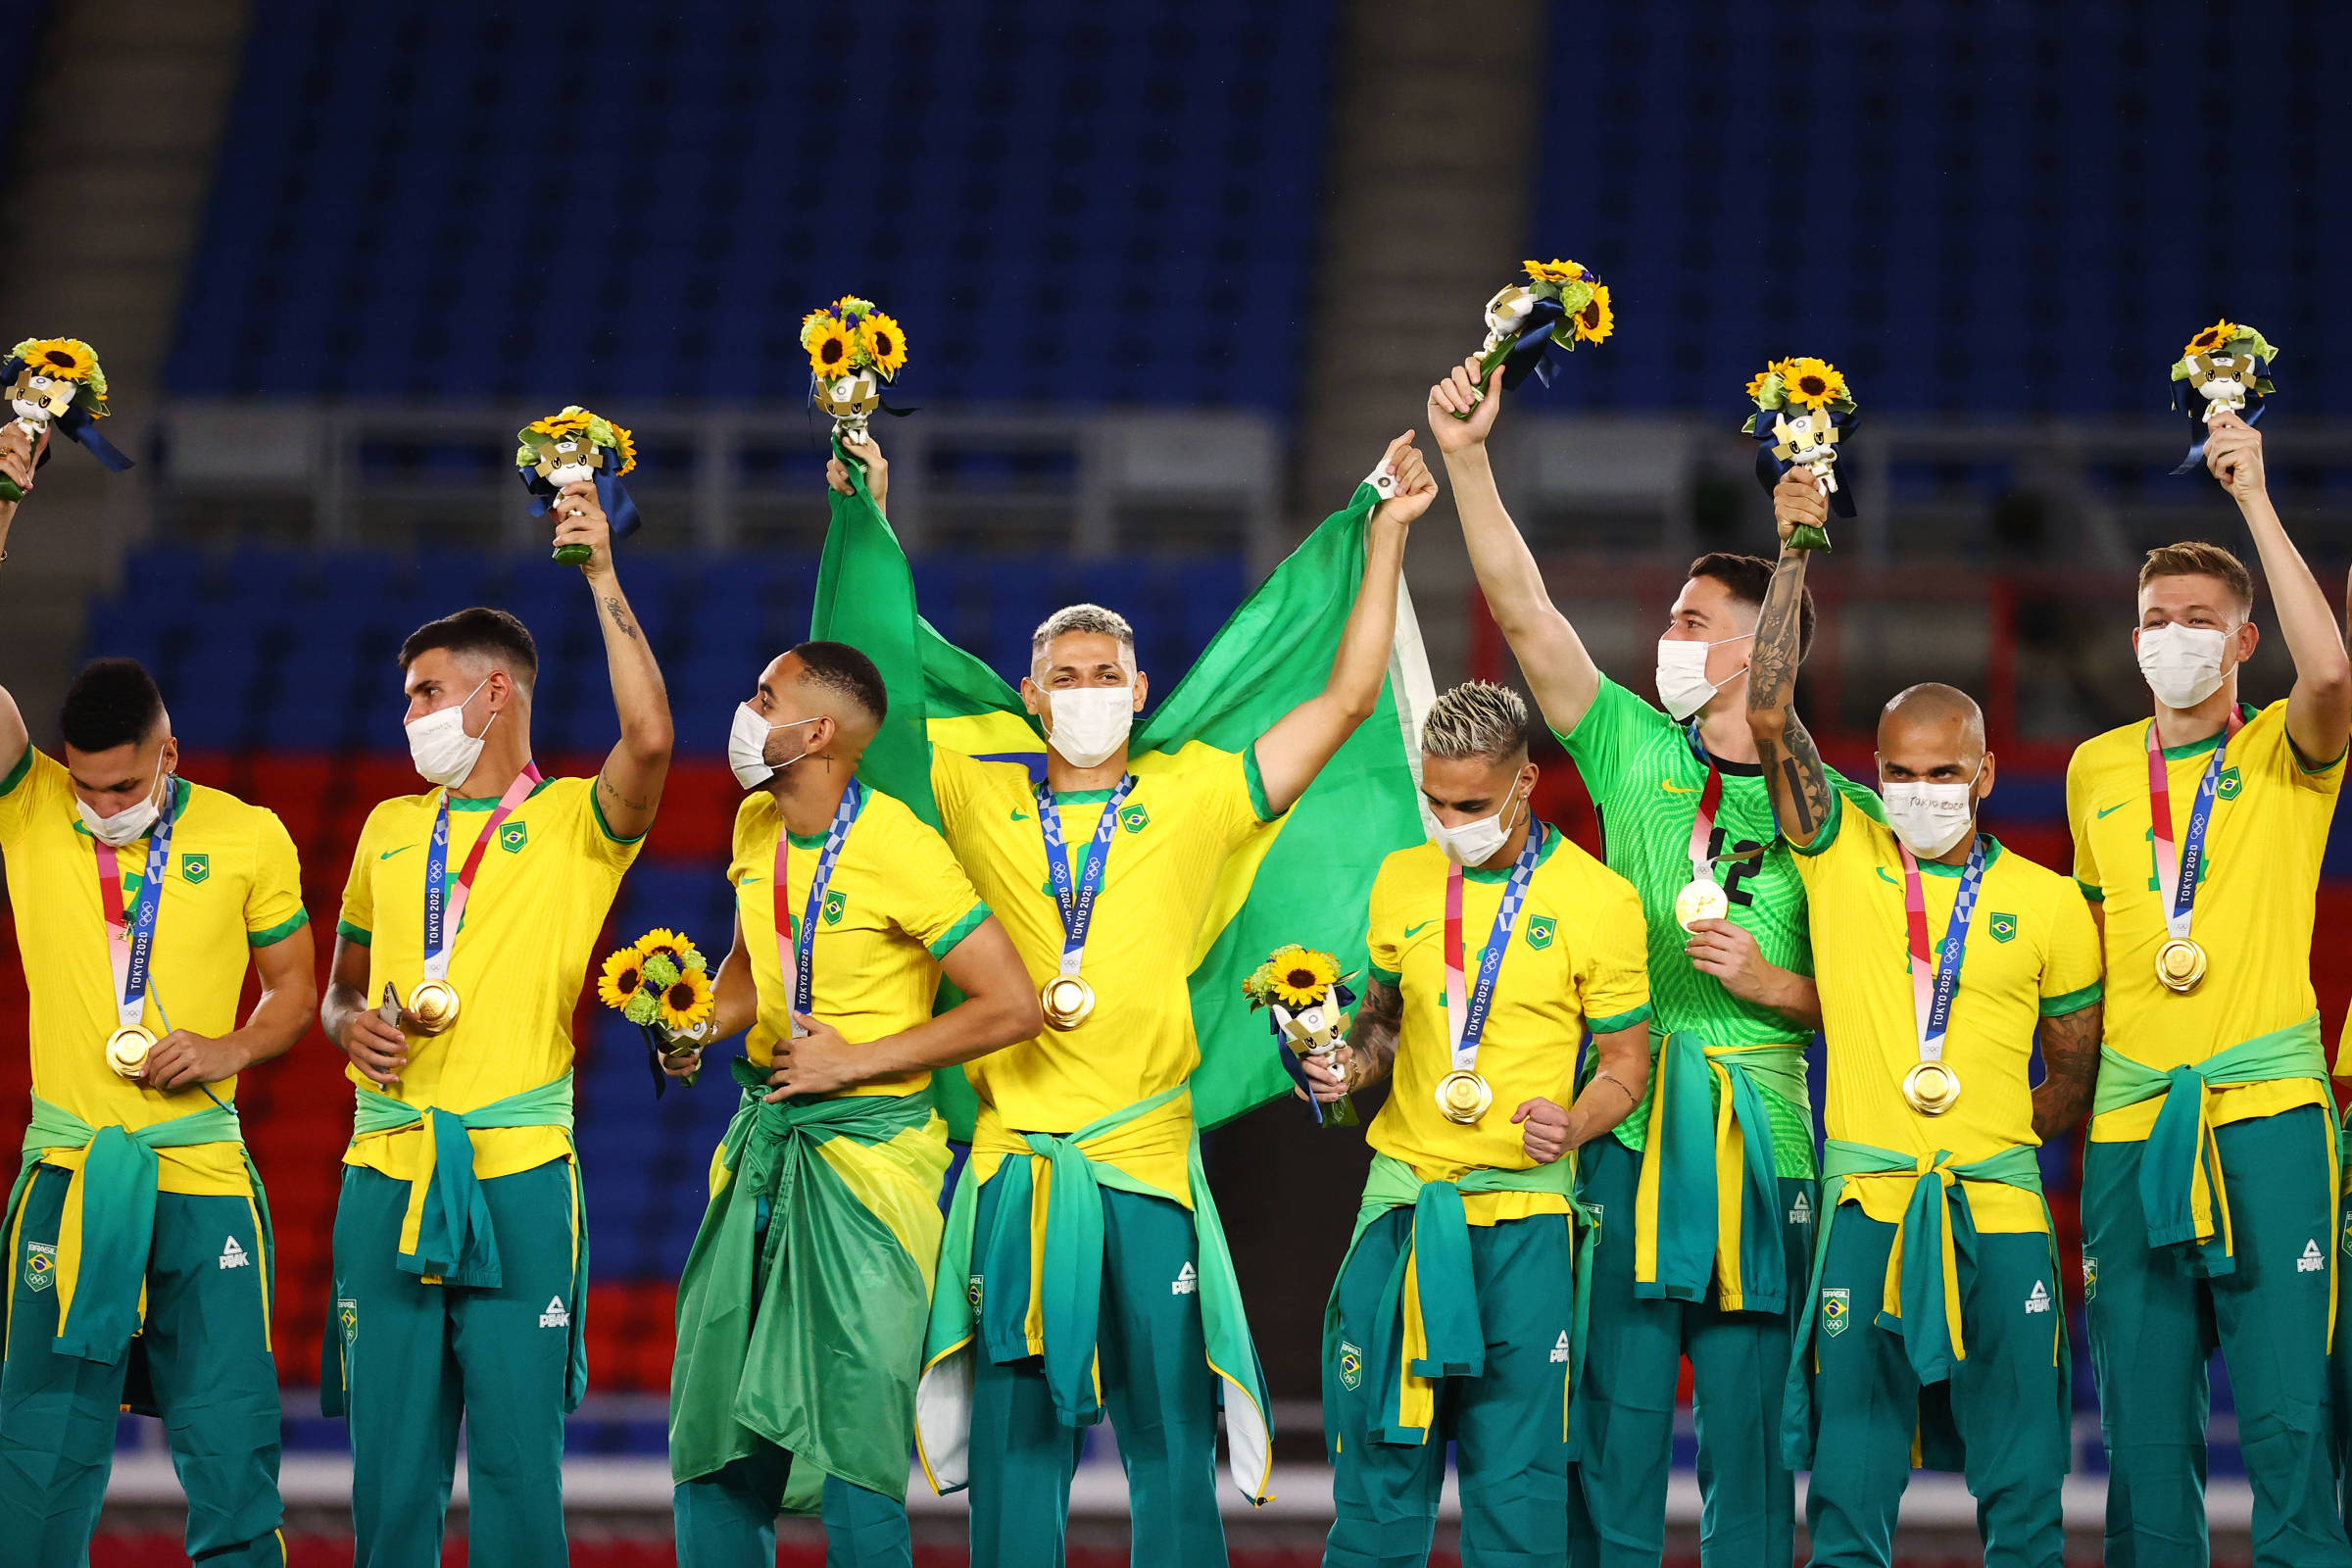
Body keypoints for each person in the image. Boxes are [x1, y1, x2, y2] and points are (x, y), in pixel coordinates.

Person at [827, 429, 1437, 1566]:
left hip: (1148, 1160)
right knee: (1020, 1446)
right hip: (1020, 1167)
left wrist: (1389, 537)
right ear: (1029, 695)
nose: (1090, 691)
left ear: (1142, 689)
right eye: (1067, 676)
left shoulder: (1199, 789)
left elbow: (1351, 696)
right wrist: (871, 519)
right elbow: (875, 688)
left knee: (1168, 1438)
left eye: (1109, 674)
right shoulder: (969, 791)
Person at [1428, 356, 1877, 1566]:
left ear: (1749, 652)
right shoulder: (1631, 746)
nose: (1665, 637)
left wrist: (1777, 986)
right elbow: (1525, 613)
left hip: (1766, 1124)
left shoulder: (1833, 810)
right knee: (1612, 1431)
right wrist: (1468, 459)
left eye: (1691, 624)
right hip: (1624, 1113)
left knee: (1743, 1438)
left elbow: (1881, 1002)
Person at [317, 479, 672, 1567]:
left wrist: (603, 574)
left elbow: (650, 738)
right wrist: (345, 1027)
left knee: (520, 1466)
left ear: (496, 693)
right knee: (389, 1469)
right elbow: (338, 988)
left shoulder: (573, 820)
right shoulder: (385, 825)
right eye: (408, 696)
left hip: (518, 1171)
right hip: (387, 1164)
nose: (411, 713)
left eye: (428, 692)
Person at [1748, 512, 2102, 1568]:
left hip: (1998, 1210)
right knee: (1850, 1490)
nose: (1918, 793)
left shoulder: (2048, 904)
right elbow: (1768, 712)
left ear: (1986, 775)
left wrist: (1990, 1134)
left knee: (2026, 1481)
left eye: (1943, 775)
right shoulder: (1841, 850)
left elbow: (2073, 1071)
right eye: (1899, 772)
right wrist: (1795, 549)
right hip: (1870, 1207)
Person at [0, 428, 316, 1566]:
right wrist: (4, 492)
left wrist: (226, 1046)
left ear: (169, 752)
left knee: (233, 1451)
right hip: (73, 1173)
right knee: (40, 1452)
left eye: (125, 785)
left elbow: (293, 991)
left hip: (199, 1168)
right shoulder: (28, 806)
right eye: (86, 789)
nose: (101, 806)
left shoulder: (246, 834)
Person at [662, 640, 1041, 1568]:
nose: (746, 711)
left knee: (856, 1450)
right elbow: (752, 976)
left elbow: (1014, 1004)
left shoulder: (902, 847)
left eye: (765, 696)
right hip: (760, 1152)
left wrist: (854, 1062)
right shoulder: (756, 827)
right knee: (713, 1434)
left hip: (872, 1171)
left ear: (818, 730)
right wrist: (693, 1028)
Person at [2064, 411, 2352, 1567]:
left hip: (2270, 1117)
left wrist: (2254, 499)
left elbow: (2330, 665)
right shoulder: (2093, 770)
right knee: (2138, 1439)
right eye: (2154, 621)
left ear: (2242, 645)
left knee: (2289, 1423)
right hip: (2135, 1123)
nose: (2171, 638)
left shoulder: (2289, 746)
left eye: (2199, 624)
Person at [1298, 681, 1652, 1568]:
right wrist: (1346, 1060)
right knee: (1376, 1476)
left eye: (1471, 804)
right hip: (1404, 1204)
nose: (1450, 821)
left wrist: (1570, 1126)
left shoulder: (1599, 901)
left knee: (1518, 1493)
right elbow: (1382, 1019)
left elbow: (1627, 1070)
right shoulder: (1401, 878)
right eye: (1435, 800)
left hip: (1525, 1219)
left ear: (1526, 781)